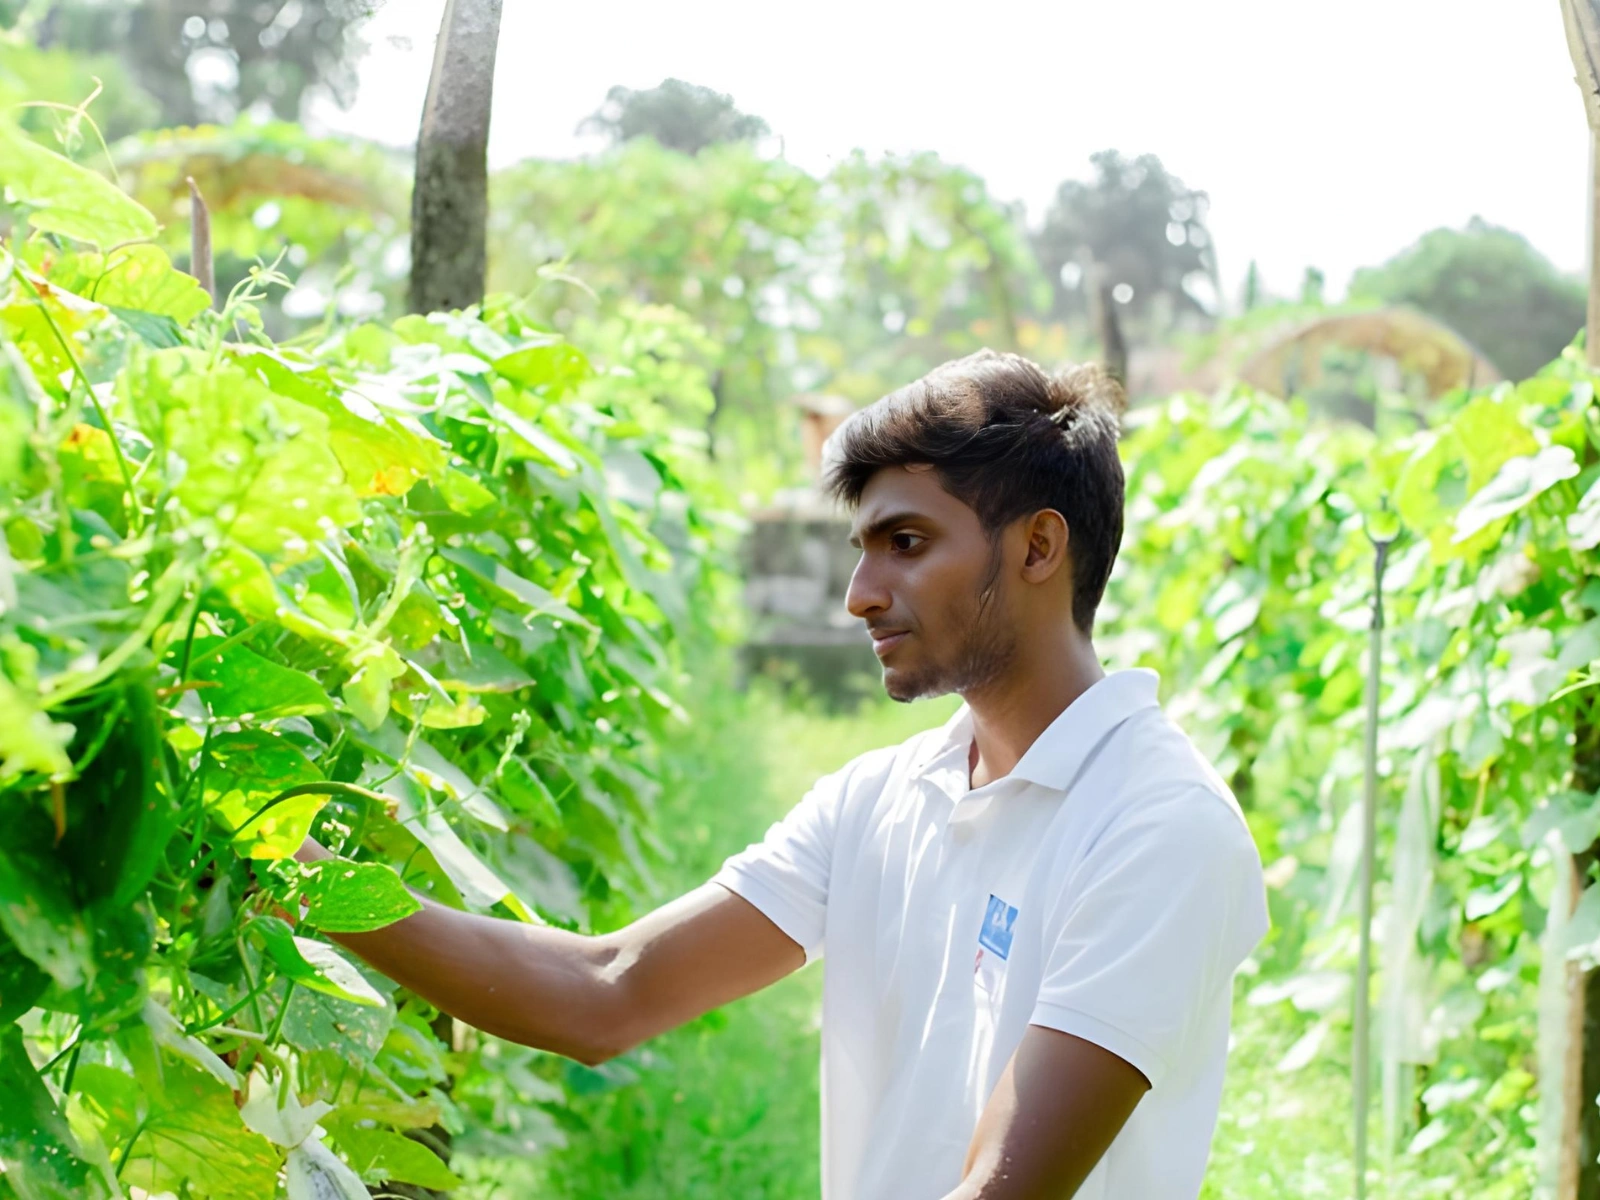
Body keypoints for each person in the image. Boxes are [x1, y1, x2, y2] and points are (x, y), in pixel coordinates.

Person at [296, 349, 1269, 1200]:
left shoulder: (1156, 828)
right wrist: (291, 875)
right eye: (862, 550)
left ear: (1038, 546)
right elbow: (609, 990)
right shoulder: (882, 800)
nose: (858, 596)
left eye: (906, 543)